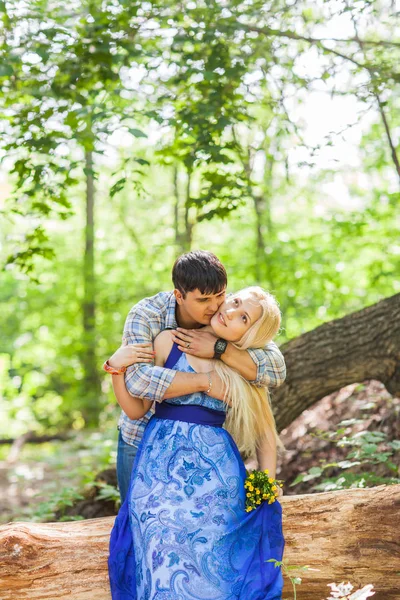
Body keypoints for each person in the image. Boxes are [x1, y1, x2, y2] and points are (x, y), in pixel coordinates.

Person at [108, 286, 285, 599]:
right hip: (160, 468)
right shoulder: (168, 341)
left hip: (216, 475)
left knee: (216, 557)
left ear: (249, 334)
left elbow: (264, 431)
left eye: (243, 317)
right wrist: (115, 369)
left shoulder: (242, 367)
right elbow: (135, 410)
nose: (230, 311)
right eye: (234, 302)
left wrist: (265, 487)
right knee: (158, 539)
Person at [104, 250, 286, 502]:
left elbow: (275, 370)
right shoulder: (150, 317)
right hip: (143, 441)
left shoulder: (230, 324)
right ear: (179, 296)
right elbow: (138, 382)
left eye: (222, 295)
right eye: (203, 300)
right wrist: (206, 382)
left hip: (206, 457)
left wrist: (219, 349)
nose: (215, 307)